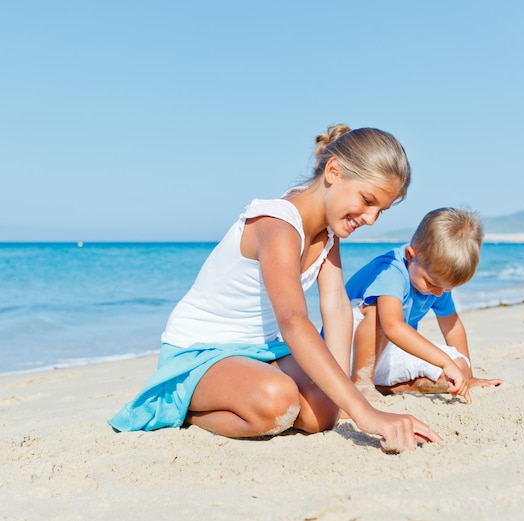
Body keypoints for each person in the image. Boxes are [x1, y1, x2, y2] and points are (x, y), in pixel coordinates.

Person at [109, 124, 441, 453]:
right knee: (277, 401)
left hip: (261, 350)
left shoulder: (328, 235)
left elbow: (337, 307)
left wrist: (347, 399)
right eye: (367, 200)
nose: (370, 218)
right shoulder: (279, 225)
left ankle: (253, 393)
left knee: (323, 413)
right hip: (200, 351)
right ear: (334, 171)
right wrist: (365, 413)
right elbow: (293, 320)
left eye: (379, 211)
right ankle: (188, 410)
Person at [346, 207, 502, 405]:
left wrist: (468, 378)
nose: (438, 293)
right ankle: (362, 385)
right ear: (411, 256)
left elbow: (451, 327)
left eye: (445, 288)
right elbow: (392, 327)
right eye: (432, 283)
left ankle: (393, 387)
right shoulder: (390, 271)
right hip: (348, 350)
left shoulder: (436, 282)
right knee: (378, 310)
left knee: (458, 371)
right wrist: (444, 361)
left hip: (390, 354)